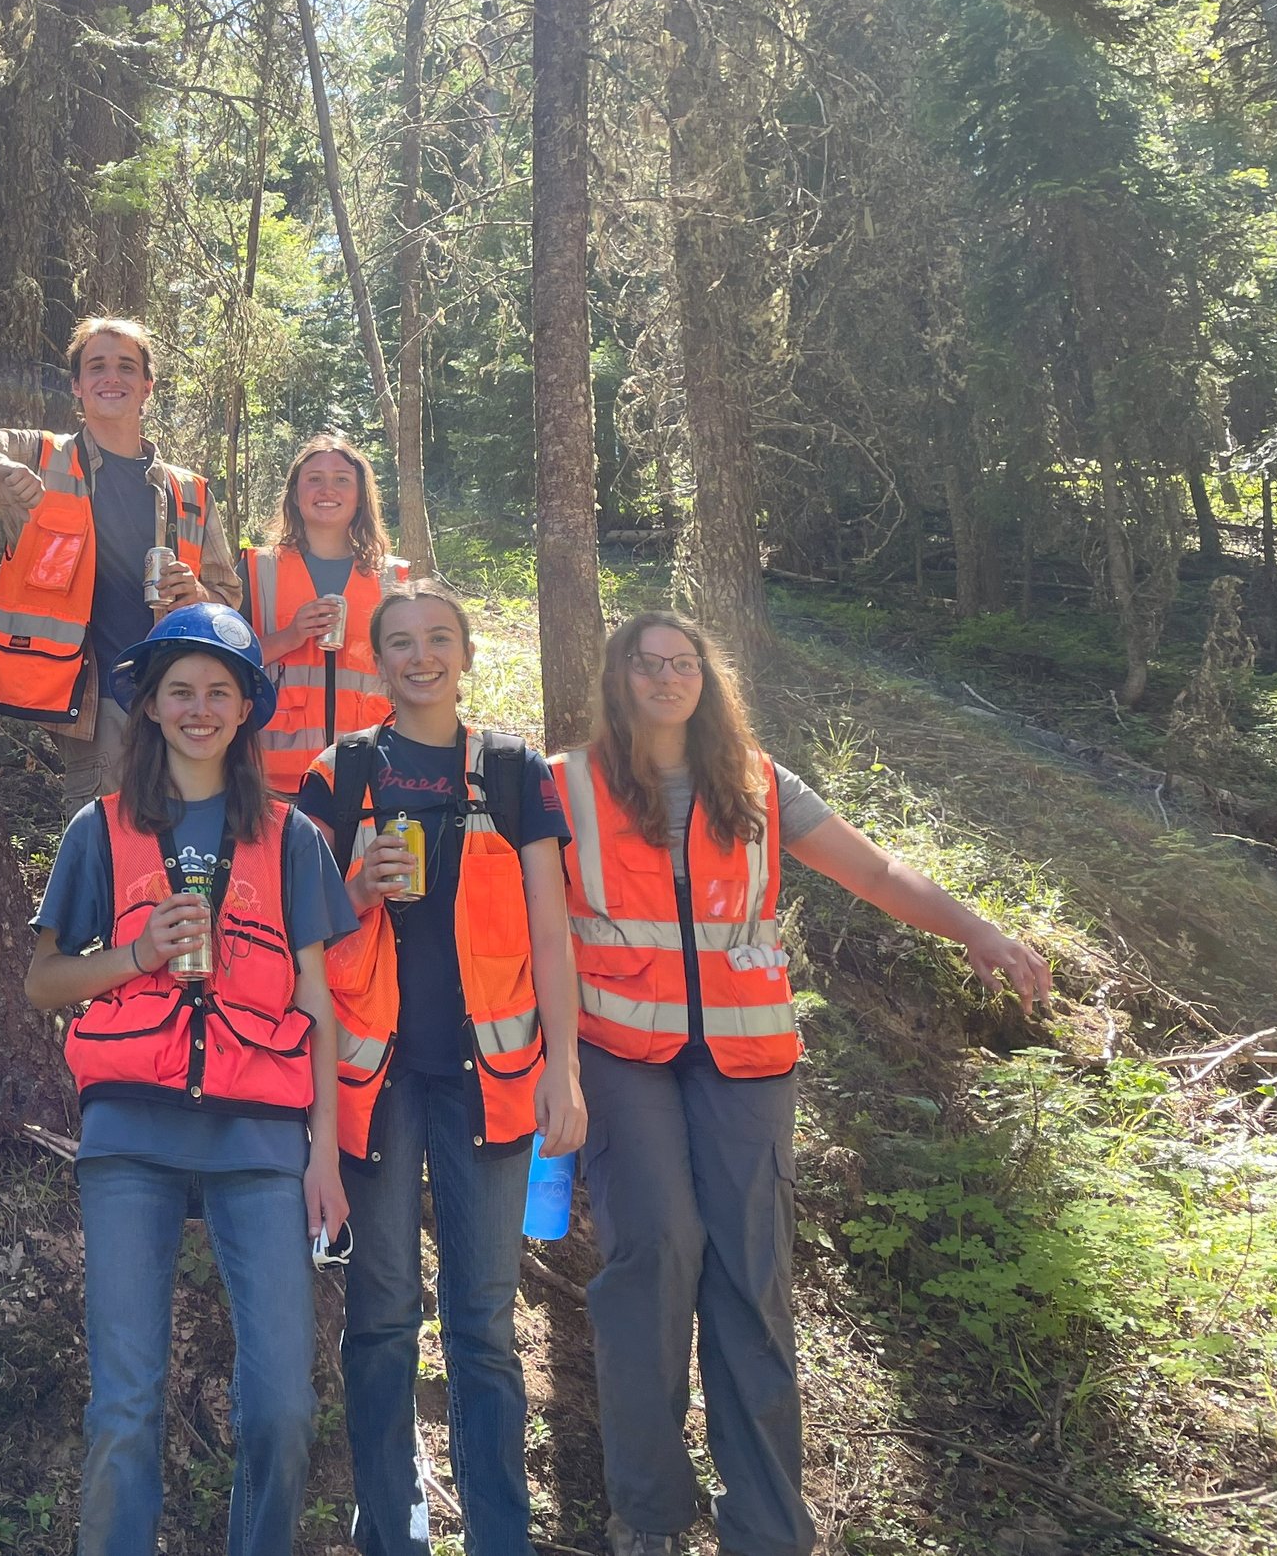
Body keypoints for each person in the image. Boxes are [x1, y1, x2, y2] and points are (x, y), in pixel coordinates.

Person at [556, 610, 1053, 1556]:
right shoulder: (565, 784)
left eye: (683, 663)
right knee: (652, 1257)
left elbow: (877, 869)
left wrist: (977, 929)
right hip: (623, 1055)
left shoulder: (756, 779)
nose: (666, 678)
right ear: (618, 681)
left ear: (706, 678)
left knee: (753, 1277)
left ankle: (769, 1526)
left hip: (745, 1061)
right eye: (647, 664)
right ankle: (650, 1512)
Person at [24, 603, 354, 1556]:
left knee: (284, 1407)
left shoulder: (292, 838)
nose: (200, 708)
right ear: (153, 706)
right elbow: (45, 980)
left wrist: (323, 1153)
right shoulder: (101, 827)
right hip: (131, 1136)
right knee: (126, 1406)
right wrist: (134, 952)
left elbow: (319, 1006)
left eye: (220, 690)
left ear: (248, 706)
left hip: (261, 1141)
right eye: (182, 691)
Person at [295, 584, 585, 1556]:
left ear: (464, 655)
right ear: (379, 660)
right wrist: (351, 886)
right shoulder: (338, 774)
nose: (421, 658)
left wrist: (568, 1071)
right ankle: (389, 1530)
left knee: (484, 1333)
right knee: (379, 1322)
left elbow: (552, 931)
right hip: (373, 1090)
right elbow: (300, 943)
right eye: (402, 643)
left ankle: (499, 1538)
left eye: (438, 641)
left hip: (488, 1082)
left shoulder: (512, 770)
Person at [0, 317, 240, 811]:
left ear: (148, 386)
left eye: (126, 366)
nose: (111, 377)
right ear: (77, 386)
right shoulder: (44, 457)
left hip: (182, 699)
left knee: (186, 847)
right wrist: (0, 466)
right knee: (106, 855)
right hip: (97, 704)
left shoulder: (190, 491)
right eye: (96, 366)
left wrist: (200, 597)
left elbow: (229, 599)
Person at [241, 435, 406, 795]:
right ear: (294, 494)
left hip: (370, 774)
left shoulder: (393, 580)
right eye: (314, 478)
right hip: (273, 782)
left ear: (361, 496)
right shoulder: (256, 569)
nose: (326, 489)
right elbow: (226, 665)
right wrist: (290, 637)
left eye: (342, 479)